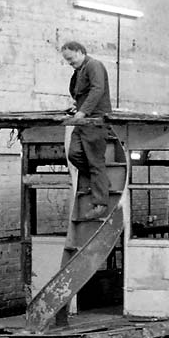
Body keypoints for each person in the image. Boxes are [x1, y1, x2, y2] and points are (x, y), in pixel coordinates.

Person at [61, 41, 112, 221]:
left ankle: (100, 204)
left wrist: (83, 112)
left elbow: (98, 90)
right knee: (74, 154)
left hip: (94, 120)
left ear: (81, 52)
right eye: (67, 61)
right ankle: (101, 183)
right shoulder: (78, 72)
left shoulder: (94, 66)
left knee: (95, 161)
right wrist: (77, 108)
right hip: (83, 120)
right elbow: (81, 94)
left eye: (71, 59)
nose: (70, 63)